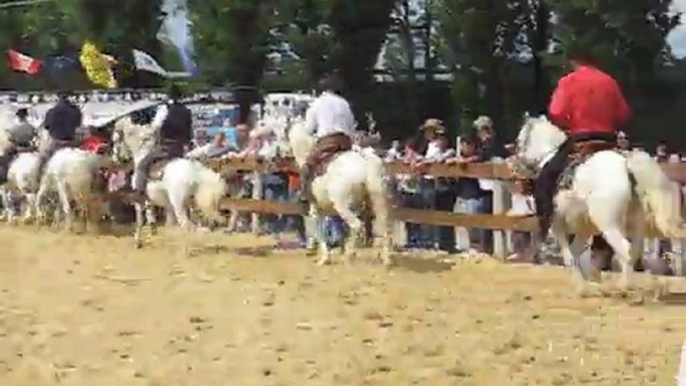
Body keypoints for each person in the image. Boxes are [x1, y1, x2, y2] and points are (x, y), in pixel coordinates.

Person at [535, 45, 631, 256]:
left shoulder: (568, 81)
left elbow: (556, 113)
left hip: (580, 139)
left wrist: (570, 123)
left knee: (545, 179)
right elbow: (623, 114)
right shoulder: (609, 81)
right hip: (608, 141)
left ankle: (548, 232)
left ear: (573, 61)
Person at [299, 73, 355, 206]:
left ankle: (304, 195)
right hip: (346, 142)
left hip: (328, 141)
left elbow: (308, 128)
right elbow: (351, 125)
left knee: (307, 166)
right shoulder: (344, 103)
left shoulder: (318, 103)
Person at [132, 84, 193, 200]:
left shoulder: (164, 109)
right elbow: (189, 132)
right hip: (179, 148)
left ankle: (139, 192)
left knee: (142, 165)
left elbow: (156, 127)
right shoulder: (187, 111)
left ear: (168, 95)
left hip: (165, 147)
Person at [36, 91, 82, 185]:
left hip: (55, 143)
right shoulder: (75, 110)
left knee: (42, 160)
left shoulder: (51, 111)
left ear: (58, 98)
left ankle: (40, 181)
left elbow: (47, 127)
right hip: (71, 142)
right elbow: (78, 125)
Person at [0, 108, 37, 184]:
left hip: (17, 150)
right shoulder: (32, 128)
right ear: (26, 116)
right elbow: (35, 140)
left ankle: (3, 178)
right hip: (30, 149)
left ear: (18, 117)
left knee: (4, 161)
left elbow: (10, 144)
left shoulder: (12, 129)